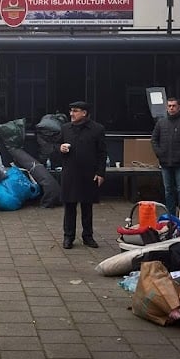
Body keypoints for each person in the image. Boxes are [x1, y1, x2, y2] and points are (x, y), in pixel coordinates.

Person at [57, 100, 108, 249]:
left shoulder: (97, 129)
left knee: (87, 206)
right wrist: (60, 148)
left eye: (75, 111)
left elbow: (102, 152)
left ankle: (88, 236)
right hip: (70, 173)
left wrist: (100, 173)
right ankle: (68, 237)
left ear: (84, 113)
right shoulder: (65, 128)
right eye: (71, 111)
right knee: (70, 206)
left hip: (89, 173)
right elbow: (55, 147)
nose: (71, 114)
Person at [151, 96, 180, 216]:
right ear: (167, 107)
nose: (171, 108)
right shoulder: (161, 122)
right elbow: (154, 139)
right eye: (169, 106)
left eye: (174, 106)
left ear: (179, 107)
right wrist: (159, 153)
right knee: (168, 191)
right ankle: (171, 215)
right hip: (165, 162)